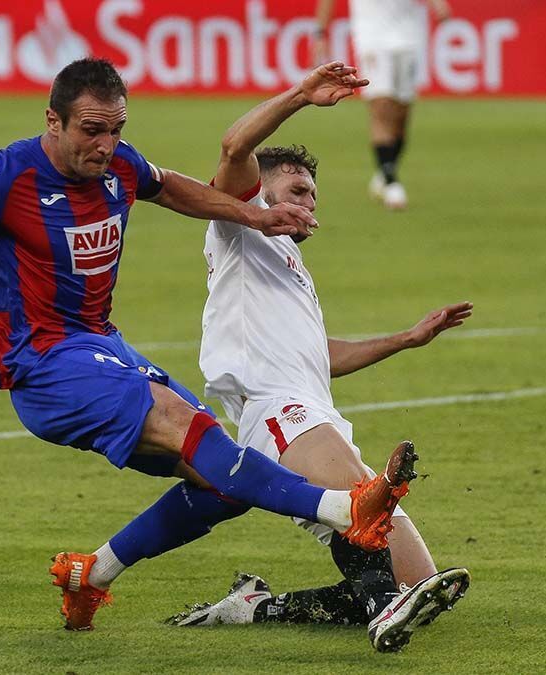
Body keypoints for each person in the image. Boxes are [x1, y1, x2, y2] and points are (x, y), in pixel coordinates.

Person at [0, 58, 417, 633]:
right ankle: (346, 508)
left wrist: (253, 213)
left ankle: (90, 572)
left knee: (224, 480)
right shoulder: (5, 176)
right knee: (186, 424)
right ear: (53, 121)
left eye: (116, 129)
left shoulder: (119, 165)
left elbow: (167, 185)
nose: (105, 145)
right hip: (43, 363)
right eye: (91, 130)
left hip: (103, 346)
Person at [93, 62, 473, 651]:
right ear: (259, 191)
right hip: (277, 413)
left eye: (314, 196)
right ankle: (381, 612)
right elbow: (234, 143)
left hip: (314, 409)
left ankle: (259, 607)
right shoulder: (238, 228)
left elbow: (318, 356)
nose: (310, 206)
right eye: (297, 191)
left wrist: (406, 338)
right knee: (364, 518)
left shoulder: (290, 264)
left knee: (420, 579)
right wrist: (300, 95)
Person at [313, 0, 452, 210]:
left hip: (410, 36)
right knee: (382, 106)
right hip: (373, 38)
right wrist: (320, 33)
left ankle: (385, 169)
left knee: (401, 114)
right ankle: (391, 181)